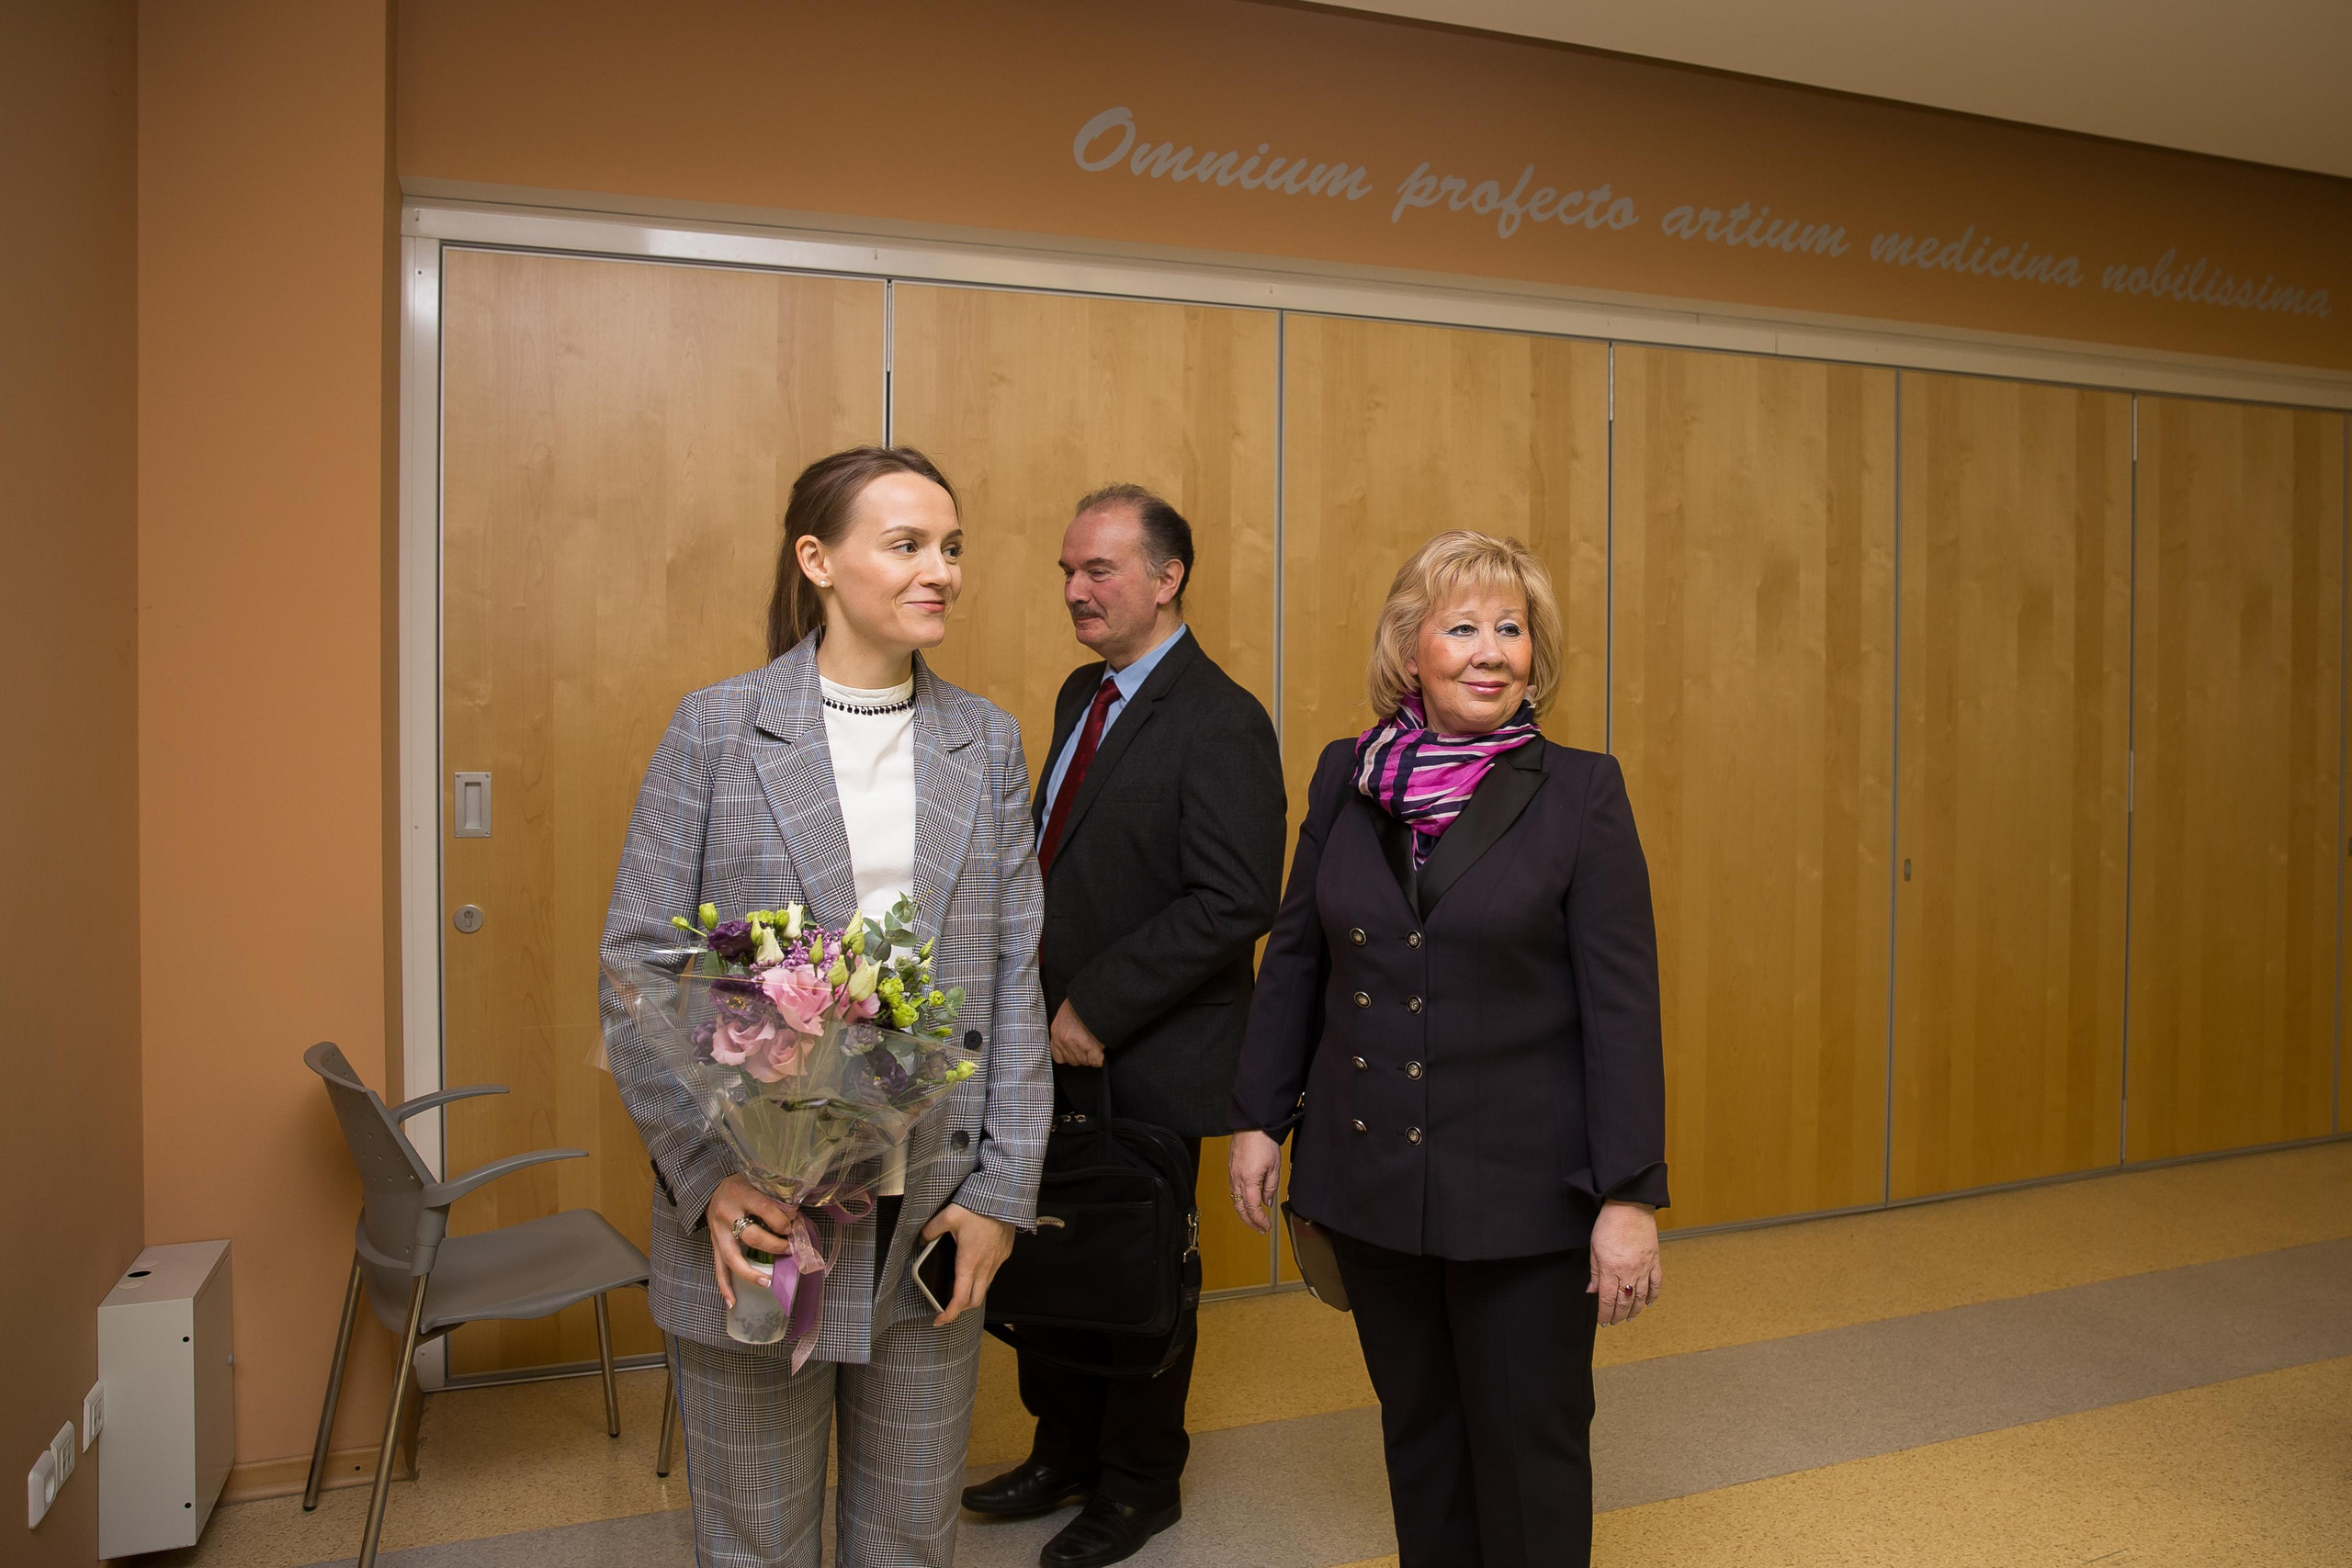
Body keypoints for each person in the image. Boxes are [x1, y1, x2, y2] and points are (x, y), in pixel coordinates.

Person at [598, 446, 1051, 1566]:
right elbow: (635, 969)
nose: (937, 569)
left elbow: (1013, 979)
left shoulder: (983, 742)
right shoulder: (718, 728)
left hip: (930, 1211)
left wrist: (1001, 1193)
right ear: (818, 561)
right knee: (755, 1540)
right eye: (905, 546)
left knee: (908, 1534)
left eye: (949, 547)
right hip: (762, 1216)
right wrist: (712, 1181)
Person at [1227, 530, 1668, 1568]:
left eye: (1509, 629)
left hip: (1524, 1196)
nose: (1489, 651)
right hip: (1372, 1178)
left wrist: (1628, 1196)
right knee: (1419, 1440)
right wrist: (1259, 1117)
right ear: (1409, 650)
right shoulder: (1347, 776)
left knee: (1529, 1454)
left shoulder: (1580, 793)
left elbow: (1622, 1009)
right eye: (1461, 626)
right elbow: (1297, 958)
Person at [960, 483, 1285, 1566]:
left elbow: (1234, 899)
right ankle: (1065, 1452)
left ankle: (1141, 1484)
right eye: (1066, 571)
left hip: (1141, 1049)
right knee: (1050, 1254)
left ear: (1165, 576)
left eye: (1097, 570)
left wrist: (1097, 1004)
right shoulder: (1078, 695)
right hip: (1043, 1045)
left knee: (1135, 1276)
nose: (1075, 591)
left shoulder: (1223, 719)